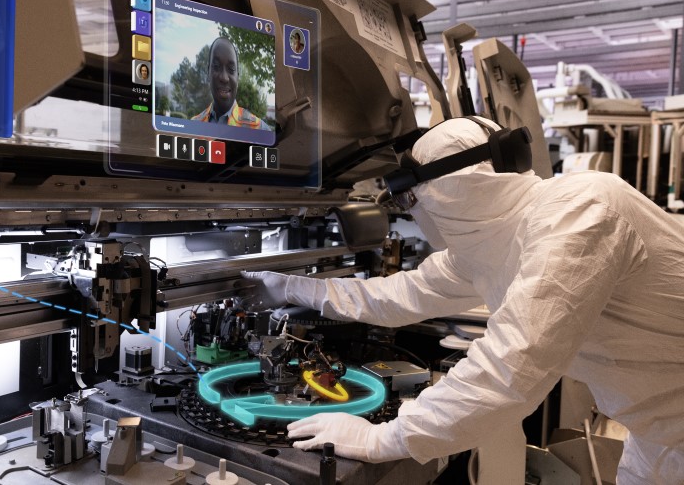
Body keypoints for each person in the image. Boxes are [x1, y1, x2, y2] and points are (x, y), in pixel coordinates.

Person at [242, 116, 684, 484]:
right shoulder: (489, 245)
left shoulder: (581, 210)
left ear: (447, 191)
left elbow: (512, 364)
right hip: (657, 436)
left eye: (411, 199)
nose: (411, 210)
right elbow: (398, 295)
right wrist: (290, 288)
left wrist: (386, 438)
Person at [191, 37, 270, 131]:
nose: (224, 78)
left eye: (231, 69)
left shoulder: (260, 130)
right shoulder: (193, 126)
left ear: (238, 77)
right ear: (208, 72)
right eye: (216, 66)